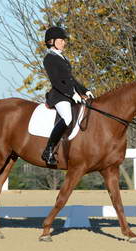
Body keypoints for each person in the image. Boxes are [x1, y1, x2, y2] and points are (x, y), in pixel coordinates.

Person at [41, 26, 94, 166]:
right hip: (59, 95)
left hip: (69, 94)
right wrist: (72, 94)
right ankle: (49, 150)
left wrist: (85, 90)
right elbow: (57, 81)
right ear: (51, 41)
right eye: (61, 40)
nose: (64, 43)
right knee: (67, 117)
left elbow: (71, 79)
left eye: (64, 40)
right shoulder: (49, 58)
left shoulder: (62, 57)